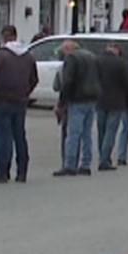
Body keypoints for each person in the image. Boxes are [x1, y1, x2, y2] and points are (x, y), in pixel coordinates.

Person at [0, 25, 38, 184]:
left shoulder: (0, 57)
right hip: (20, 101)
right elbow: (34, 78)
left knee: (3, 137)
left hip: (2, 100)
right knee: (20, 136)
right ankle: (22, 172)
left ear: (4, 37)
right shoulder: (28, 56)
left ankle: (2, 172)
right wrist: (26, 92)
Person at [53, 40, 100, 176]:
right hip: (92, 98)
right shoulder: (92, 56)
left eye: (62, 49)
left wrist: (62, 102)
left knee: (73, 134)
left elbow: (67, 82)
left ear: (68, 49)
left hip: (78, 98)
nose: (61, 53)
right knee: (87, 134)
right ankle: (86, 164)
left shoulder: (71, 58)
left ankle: (70, 165)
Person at [94, 44, 128, 172]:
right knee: (110, 131)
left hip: (100, 99)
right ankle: (105, 159)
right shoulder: (121, 63)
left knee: (101, 130)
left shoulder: (97, 61)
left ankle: (102, 157)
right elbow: (127, 82)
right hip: (116, 100)